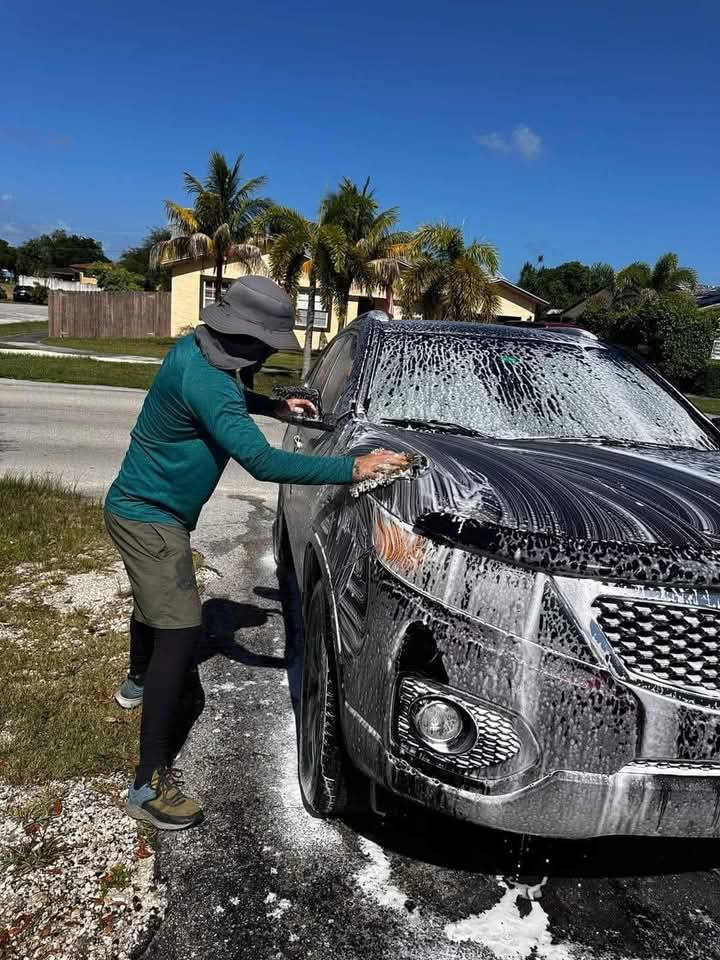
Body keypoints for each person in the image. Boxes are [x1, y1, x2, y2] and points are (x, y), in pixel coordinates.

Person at [104, 275, 408, 831]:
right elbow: (264, 464)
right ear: (245, 337)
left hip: (135, 508)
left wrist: (270, 402)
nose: (270, 350)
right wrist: (353, 467)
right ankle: (147, 784)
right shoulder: (211, 384)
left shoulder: (194, 352)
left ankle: (136, 681)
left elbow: (226, 396)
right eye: (268, 342)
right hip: (151, 520)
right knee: (179, 629)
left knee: (155, 601)